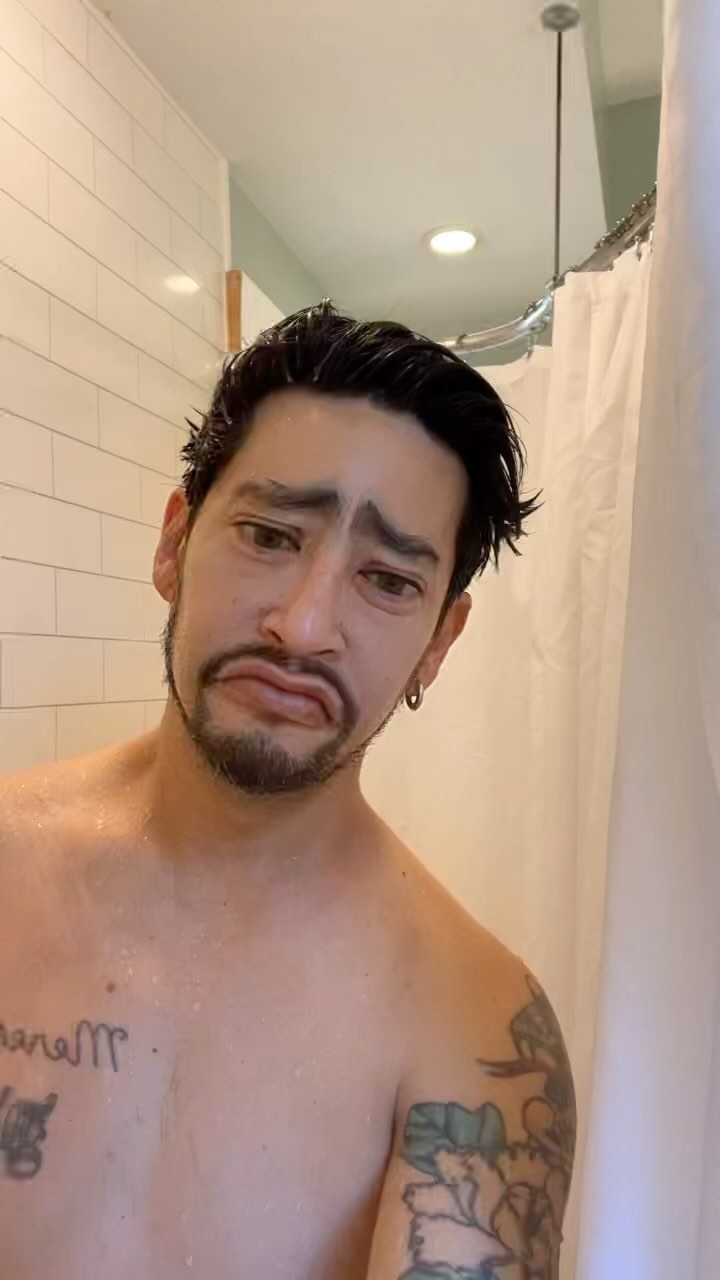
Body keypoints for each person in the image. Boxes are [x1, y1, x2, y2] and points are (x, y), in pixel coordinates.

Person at [0, 302, 575, 1279]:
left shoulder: (479, 1033)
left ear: (439, 641)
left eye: (388, 581)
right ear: (175, 542)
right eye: (269, 534)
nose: (304, 627)